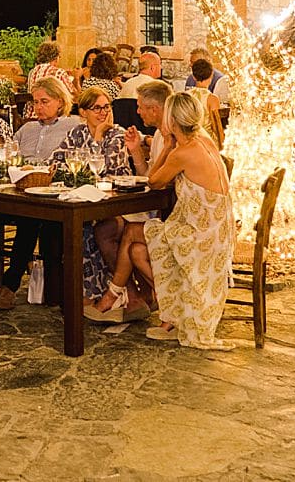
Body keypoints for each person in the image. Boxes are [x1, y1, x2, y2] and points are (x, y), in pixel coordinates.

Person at [90, 93, 236, 349]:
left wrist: (168, 144)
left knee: (133, 233)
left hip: (202, 234)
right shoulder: (204, 140)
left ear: (172, 119)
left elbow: (154, 181)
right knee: (135, 248)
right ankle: (165, 314)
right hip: (216, 229)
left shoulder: (183, 151)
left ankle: (114, 295)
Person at [0, 78, 81, 310]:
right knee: (28, 217)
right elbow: (10, 155)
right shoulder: (27, 128)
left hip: (55, 194)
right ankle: (18, 285)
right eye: (35, 102)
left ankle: (12, 285)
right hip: (22, 190)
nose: (38, 107)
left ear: (60, 102)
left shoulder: (73, 125)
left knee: (31, 221)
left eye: (45, 101)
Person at [50, 87, 135, 303]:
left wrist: (98, 138)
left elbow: (109, 170)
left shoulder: (117, 134)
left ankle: (102, 293)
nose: (103, 112)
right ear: (84, 112)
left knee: (94, 228)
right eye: (96, 108)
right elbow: (56, 162)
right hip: (84, 200)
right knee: (67, 227)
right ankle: (80, 293)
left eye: (106, 107)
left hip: (118, 203)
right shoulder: (76, 133)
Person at [123, 80, 174, 176]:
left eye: (140, 107)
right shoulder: (159, 134)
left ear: (154, 110)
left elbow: (158, 182)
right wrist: (135, 150)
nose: (138, 112)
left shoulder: (176, 136)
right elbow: (147, 174)